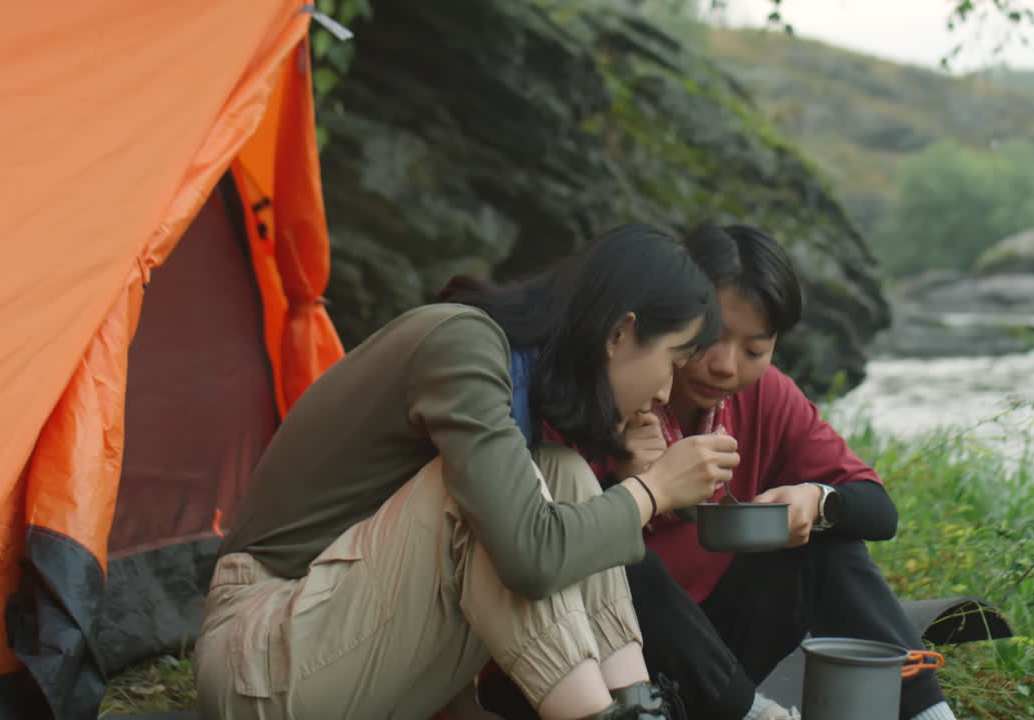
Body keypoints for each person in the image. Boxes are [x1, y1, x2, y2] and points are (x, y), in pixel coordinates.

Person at [193, 223, 742, 720]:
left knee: (562, 472)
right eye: (672, 361)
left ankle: (635, 705)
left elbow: (416, 588)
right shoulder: (462, 343)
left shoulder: (514, 390)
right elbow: (524, 554)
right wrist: (652, 490)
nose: (666, 392)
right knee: (501, 505)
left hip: (337, 652)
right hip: (260, 656)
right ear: (620, 333)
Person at [476, 224, 958, 720]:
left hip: (713, 661)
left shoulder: (766, 397)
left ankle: (930, 714)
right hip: (583, 670)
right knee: (618, 554)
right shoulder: (599, 392)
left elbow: (878, 510)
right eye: (710, 339)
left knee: (825, 541)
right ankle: (754, 715)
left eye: (754, 350)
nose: (727, 366)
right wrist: (631, 485)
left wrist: (817, 501)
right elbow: (541, 550)